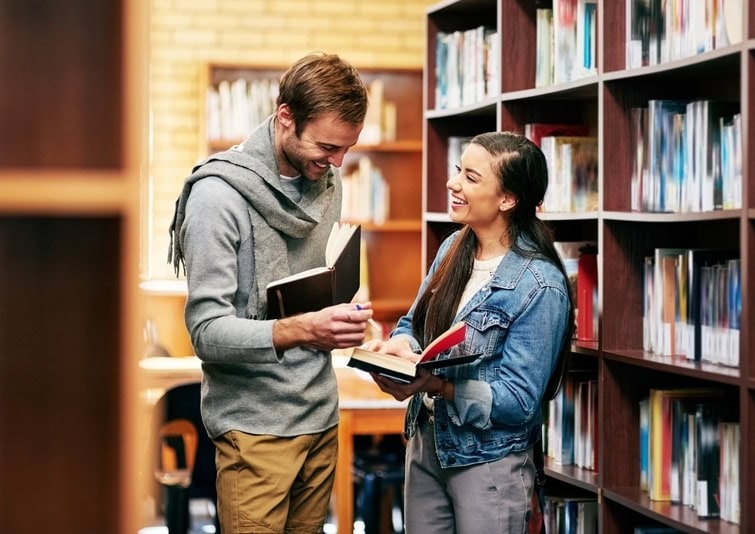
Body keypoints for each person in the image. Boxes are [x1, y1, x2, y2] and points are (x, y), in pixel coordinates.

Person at [167, 51, 376, 533]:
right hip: (254, 428)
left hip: (321, 415)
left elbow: (310, 283)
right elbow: (206, 332)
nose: (338, 163)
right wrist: (302, 329)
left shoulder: (326, 179)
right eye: (327, 146)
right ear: (285, 117)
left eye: (347, 149)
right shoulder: (217, 197)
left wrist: (342, 313)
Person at [364, 131, 575, 533]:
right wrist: (398, 351)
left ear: (508, 199)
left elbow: (519, 401)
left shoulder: (541, 285)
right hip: (427, 445)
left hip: (488, 463)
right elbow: (413, 324)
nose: (453, 183)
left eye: (471, 178)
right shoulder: (452, 250)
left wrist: (438, 385)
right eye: (459, 170)